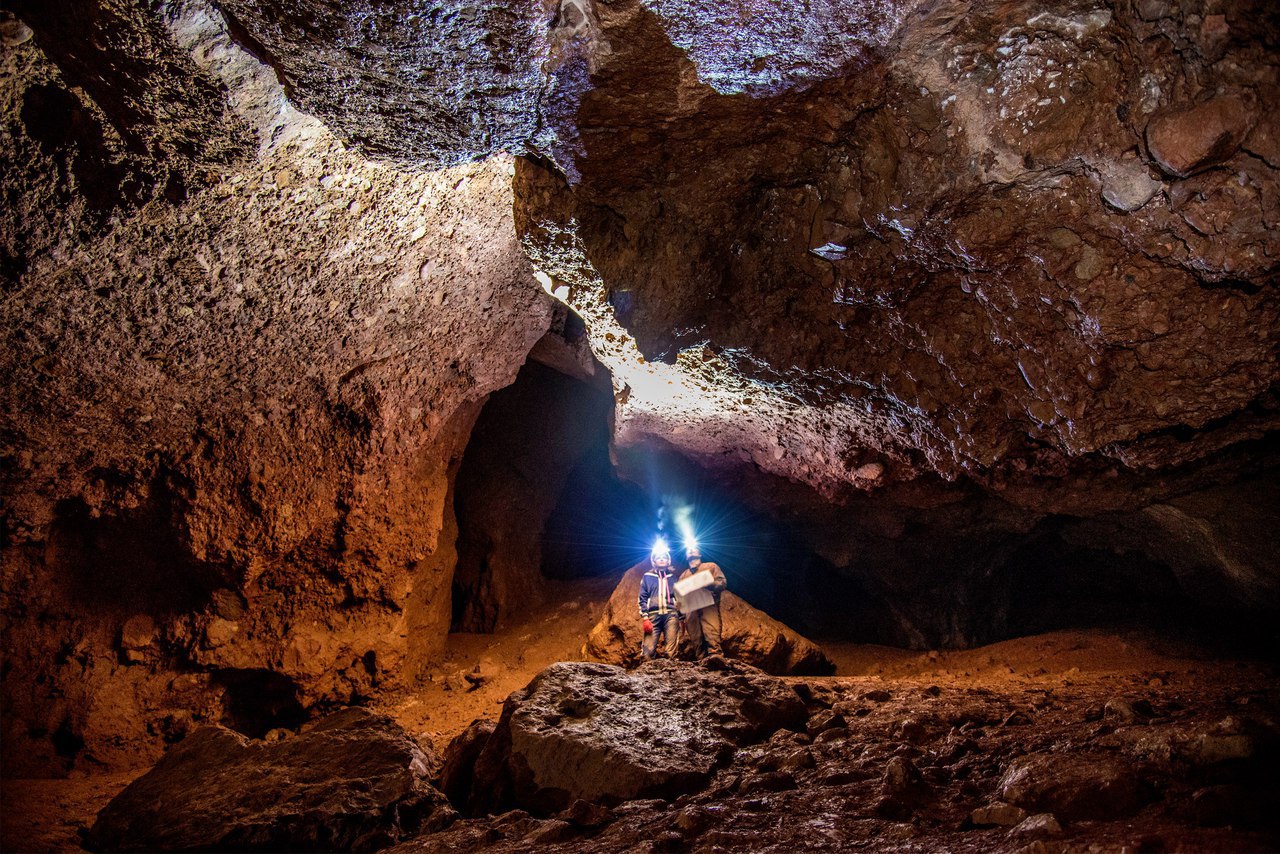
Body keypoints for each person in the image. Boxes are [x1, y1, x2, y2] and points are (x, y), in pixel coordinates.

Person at [678, 543, 727, 659]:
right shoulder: (683, 575)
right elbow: (680, 598)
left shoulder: (711, 567)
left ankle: (716, 659)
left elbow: (722, 582)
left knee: (711, 632)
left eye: (694, 548)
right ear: (685, 556)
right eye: (688, 549)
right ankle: (701, 662)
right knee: (696, 638)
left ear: (700, 554)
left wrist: (708, 583)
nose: (691, 550)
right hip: (691, 611)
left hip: (708, 606)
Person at [638, 542, 680, 660]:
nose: (661, 559)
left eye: (664, 557)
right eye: (658, 558)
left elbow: (679, 598)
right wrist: (645, 618)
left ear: (668, 561)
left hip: (671, 615)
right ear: (654, 561)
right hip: (653, 616)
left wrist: (681, 618)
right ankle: (647, 676)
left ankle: (671, 676)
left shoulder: (673, 578)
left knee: (670, 652)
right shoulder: (647, 577)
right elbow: (642, 597)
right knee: (648, 652)